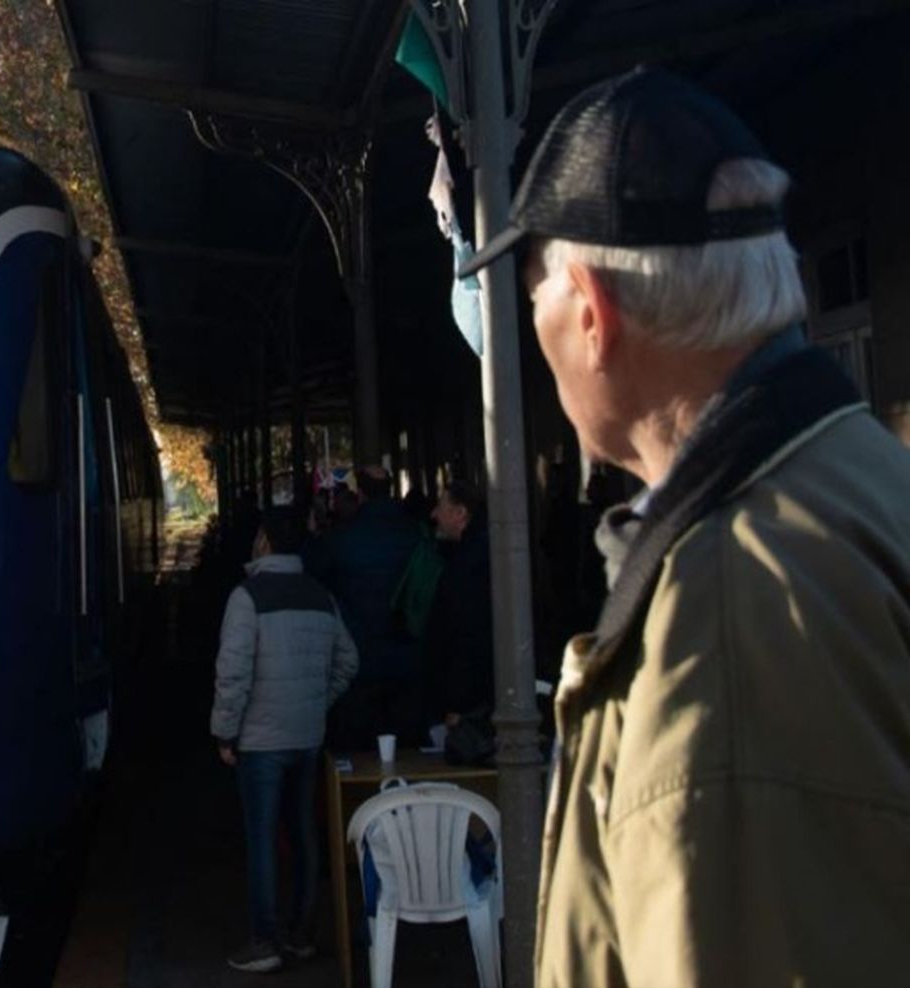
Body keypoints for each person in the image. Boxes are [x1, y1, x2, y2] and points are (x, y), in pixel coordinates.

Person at [458, 66, 910, 985]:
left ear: (592, 311)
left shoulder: (730, 624)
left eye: (532, 291)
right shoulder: (859, 478)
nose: (530, 320)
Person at [211, 507, 358, 973]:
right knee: (304, 833)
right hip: (307, 736)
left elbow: (232, 673)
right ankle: (301, 935)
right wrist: (317, 701)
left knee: (262, 839)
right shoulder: (321, 596)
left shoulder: (246, 597)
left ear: (265, 543)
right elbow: (348, 662)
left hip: (259, 741)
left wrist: (225, 731)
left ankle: (265, 940)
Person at [309, 465, 427, 750]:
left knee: (358, 743)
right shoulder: (417, 534)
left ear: (360, 494)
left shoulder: (342, 538)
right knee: (407, 742)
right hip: (409, 653)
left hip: (358, 653)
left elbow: (315, 578)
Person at [424, 481, 495, 763]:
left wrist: (458, 703)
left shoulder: (468, 565)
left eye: (441, 507)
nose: (434, 515)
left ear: (460, 513)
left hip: (473, 701)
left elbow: (467, 636)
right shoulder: (472, 556)